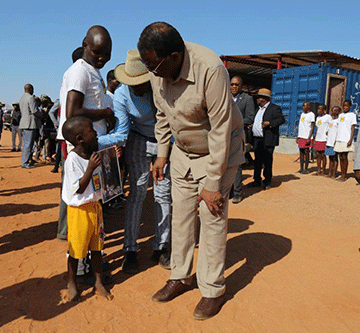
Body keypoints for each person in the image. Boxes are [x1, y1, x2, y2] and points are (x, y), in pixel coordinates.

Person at [138, 22, 245, 320]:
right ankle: (181, 275)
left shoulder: (210, 69)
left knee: (212, 219)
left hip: (218, 151)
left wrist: (212, 182)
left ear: (174, 56)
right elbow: (162, 114)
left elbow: (222, 128)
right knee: (181, 216)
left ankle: (213, 289)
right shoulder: (156, 68)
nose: (151, 71)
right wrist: (162, 153)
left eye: (154, 64)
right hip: (184, 152)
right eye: (147, 64)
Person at [106, 49, 172, 273]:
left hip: (165, 143)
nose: (138, 87)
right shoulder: (123, 96)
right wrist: (97, 142)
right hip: (139, 142)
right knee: (137, 195)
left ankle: (161, 246)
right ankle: (130, 250)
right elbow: (121, 131)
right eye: (133, 83)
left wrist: (167, 150)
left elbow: (172, 120)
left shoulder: (161, 88)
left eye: (142, 82)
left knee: (163, 195)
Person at [56, 25, 114, 241]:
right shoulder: (80, 71)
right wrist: (105, 112)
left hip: (90, 142)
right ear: (85, 45)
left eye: (106, 54)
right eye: (97, 52)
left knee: (85, 190)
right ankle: (73, 238)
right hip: (79, 144)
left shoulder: (92, 71)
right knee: (77, 190)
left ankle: (78, 235)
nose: (102, 58)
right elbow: (73, 112)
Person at [61, 116, 113, 302]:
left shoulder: (94, 153)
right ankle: (72, 283)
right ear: (80, 139)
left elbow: (105, 175)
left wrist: (113, 157)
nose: (96, 132)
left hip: (95, 208)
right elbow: (79, 187)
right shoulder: (73, 160)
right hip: (79, 212)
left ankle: (98, 282)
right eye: (91, 130)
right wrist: (90, 168)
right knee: (76, 250)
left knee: (97, 248)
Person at [248, 88, 285, 189]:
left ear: (264, 99)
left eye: (258, 98)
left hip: (268, 139)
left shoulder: (274, 108)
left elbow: (281, 119)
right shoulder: (258, 109)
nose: (256, 100)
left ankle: (267, 181)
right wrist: (253, 125)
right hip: (257, 139)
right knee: (257, 161)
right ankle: (257, 180)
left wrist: (270, 123)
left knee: (267, 161)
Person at [230, 76, 255, 203]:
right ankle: (228, 191)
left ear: (241, 86)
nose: (234, 87)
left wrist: (232, 123)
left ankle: (237, 192)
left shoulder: (247, 99)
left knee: (237, 165)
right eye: (232, 84)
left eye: (237, 85)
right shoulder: (225, 97)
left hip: (239, 135)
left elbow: (250, 118)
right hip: (223, 136)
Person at [19, 84, 42, 169]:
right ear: (31, 89)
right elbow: (34, 111)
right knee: (28, 144)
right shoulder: (30, 97)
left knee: (27, 143)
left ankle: (27, 160)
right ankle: (25, 163)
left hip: (24, 123)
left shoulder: (22, 98)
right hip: (30, 124)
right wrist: (42, 115)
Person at [334, 100, 357, 182]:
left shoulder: (352, 115)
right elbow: (338, 128)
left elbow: (352, 128)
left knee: (344, 156)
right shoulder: (340, 116)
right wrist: (335, 139)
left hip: (346, 139)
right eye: (344, 106)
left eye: (347, 106)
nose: (345, 107)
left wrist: (350, 139)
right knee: (340, 157)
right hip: (339, 138)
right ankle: (342, 174)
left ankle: (344, 175)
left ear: (350, 106)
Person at [296, 101, 315, 174]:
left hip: (307, 137)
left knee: (306, 152)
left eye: (304, 106)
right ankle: (301, 168)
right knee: (301, 152)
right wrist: (298, 136)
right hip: (301, 136)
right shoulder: (302, 114)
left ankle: (306, 168)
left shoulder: (311, 115)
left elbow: (312, 127)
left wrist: (309, 138)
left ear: (308, 106)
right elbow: (300, 126)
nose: (303, 107)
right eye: (303, 106)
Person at [314, 104, 331, 175]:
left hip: (324, 138)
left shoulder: (328, 117)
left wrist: (328, 131)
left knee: (323, 155)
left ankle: (323, 171)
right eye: (318, 109)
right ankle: (318, 170)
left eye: (320, 109)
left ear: (324, 110)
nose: (318, 110)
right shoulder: (318, 118)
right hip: (318, 138)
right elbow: (317, 128)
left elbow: (331, 125)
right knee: (318, 155)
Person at [325, 106, 340, 178]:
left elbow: (339, 132)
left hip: (334, 142)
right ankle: (330, 173)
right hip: (329, 142)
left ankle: (334, 173)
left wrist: (336, 140)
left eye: (333, 110)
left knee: (335, 158)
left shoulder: (338, 121)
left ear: (337, 112)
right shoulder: (331, 121)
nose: (331, 112)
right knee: (330, 158)